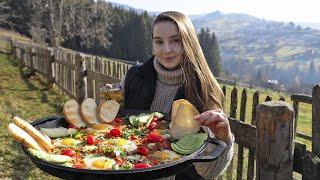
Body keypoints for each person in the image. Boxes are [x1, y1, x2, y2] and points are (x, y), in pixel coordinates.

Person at [120, 11, 234, 179]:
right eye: (159, 42)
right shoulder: (134, 76)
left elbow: (209, 172)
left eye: (175, 40)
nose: (167, 49)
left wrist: (223, 137)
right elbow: (115, 127)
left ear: (188, 42)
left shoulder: (204, 89)